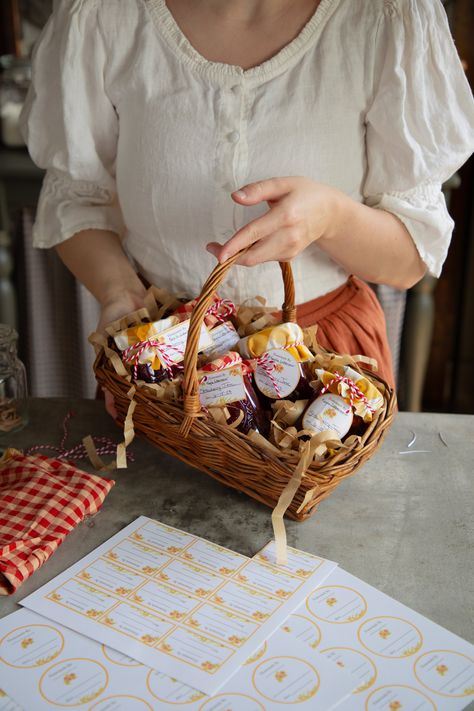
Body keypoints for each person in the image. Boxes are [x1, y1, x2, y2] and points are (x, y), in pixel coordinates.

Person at [21, 0, 474, 390]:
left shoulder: (387, 16)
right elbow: (76, 197)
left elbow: (410, 259)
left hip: (323, 371)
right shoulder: (104, 13)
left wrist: (331, 218)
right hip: (164, 363)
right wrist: (120, 294)